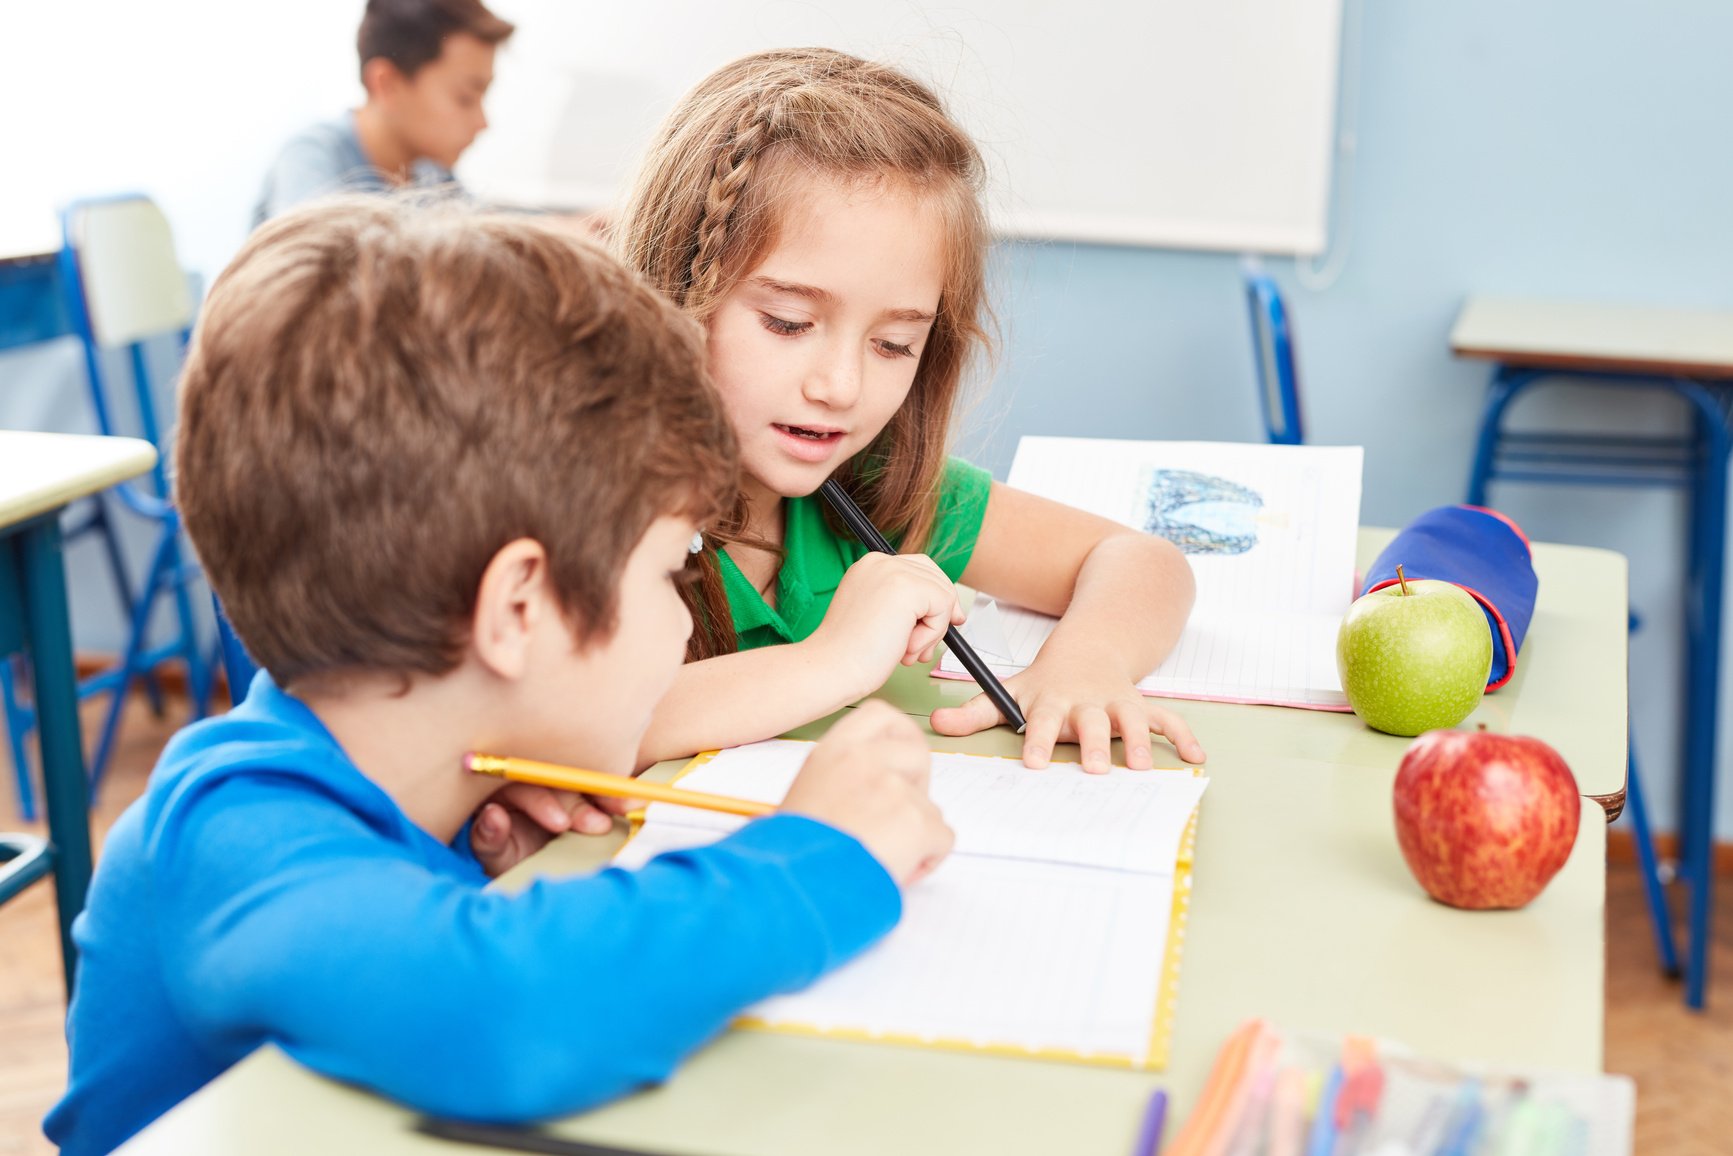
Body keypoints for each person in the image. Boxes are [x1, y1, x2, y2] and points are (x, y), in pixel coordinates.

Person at [45, 197, 952, 1155]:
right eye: (668, 569)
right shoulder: (228, 832)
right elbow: (505, 1007)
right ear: (517, 609)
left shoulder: (390, 789)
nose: (683, 617)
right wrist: (822, 854)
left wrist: (468, 868)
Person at [616, 48, 1207, 776]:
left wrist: (1086, 661)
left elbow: (1139, 561)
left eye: (893, 343)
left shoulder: (871, 482)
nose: (840, 386)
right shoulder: (588, 505)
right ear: (671, 294)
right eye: (787, 323)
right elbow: (575, 727)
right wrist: (833, 659)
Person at [251, 0, 512, 227]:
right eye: (465, 98)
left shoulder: (432, 173)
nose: (483, 123)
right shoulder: (311, 159)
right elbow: (322, 271)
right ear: (387, 84)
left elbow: (489, 234)